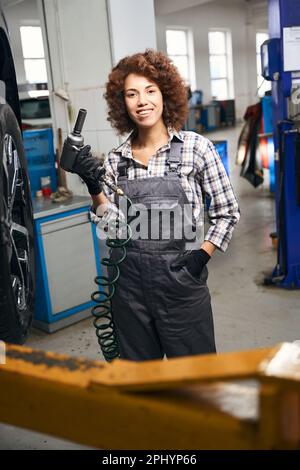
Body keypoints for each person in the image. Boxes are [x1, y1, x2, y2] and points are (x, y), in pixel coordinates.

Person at [71, 49, 240, 361]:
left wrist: (200, 258)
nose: (142, 101)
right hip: (128, 289)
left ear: (166, 95)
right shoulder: (115, 159)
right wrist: (94, 185)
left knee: (196, 381)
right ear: (122, 103)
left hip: (181, 284)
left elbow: (227, 211)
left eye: (150, 91)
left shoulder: (196, 149)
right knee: (142, 383)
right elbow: (112, 229)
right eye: (131, 94)